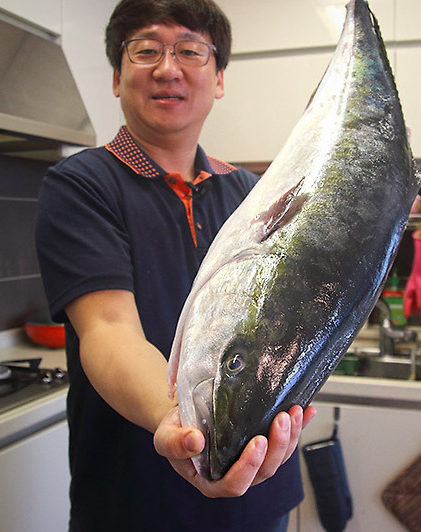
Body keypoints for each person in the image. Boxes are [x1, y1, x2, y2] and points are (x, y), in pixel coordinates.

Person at [35, 0, 316, 530]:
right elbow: (109, 329)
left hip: (260, 492)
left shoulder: (254, 195)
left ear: (219, 77)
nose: (168, 69)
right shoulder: (82, 185)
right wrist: (176, 421)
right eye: (146, 51)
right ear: (117, 77)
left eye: (190, 50)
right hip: (136, 501)